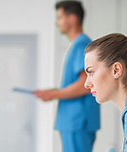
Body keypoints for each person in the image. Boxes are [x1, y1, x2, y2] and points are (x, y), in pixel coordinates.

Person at [34, 1, 100, 152]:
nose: (57, 23)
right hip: (75, 121)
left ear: (72, 19)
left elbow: (85, 84)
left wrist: (53, 94)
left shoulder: (81, 44)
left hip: (76, 120)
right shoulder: (78, 44)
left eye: (60, 18)